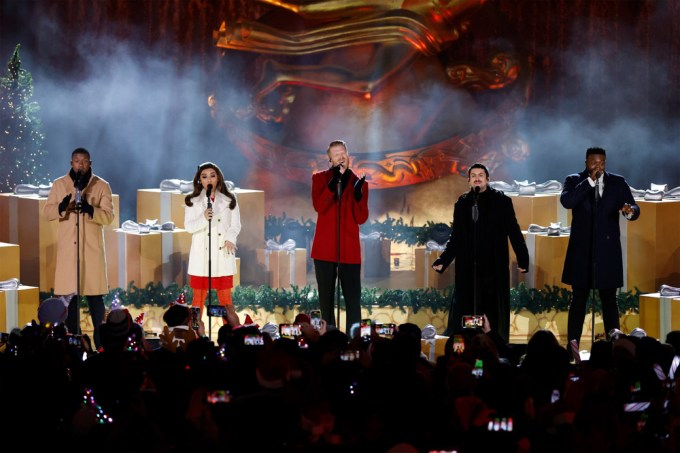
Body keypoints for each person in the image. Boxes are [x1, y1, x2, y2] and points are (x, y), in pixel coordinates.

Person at [432, 163, 529, 343]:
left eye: (481, 175)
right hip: (469, 268)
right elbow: (457, 237)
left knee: (491, 310)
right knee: (467, 310)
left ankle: (493, 347)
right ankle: (468, 345)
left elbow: (514, 232)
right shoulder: (462, 203)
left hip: (493, 268)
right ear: (468, 180)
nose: (477, 178)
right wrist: (444, 260)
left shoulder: (502, 201)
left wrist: (523, 258)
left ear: (488, 179)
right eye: (473, 175)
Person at [560, 147, 640, 350]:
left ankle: (615, 349)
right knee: (578, 300)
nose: (599, 167)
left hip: (607, 251)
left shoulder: (617, 182)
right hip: (582, 251)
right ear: (586, 162)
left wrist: (630, 211)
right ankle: (573, 349)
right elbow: (567, 201)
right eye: (594, 163)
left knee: (609, 301)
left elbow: (633, 207)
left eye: (602, 163)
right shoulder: (573, 180)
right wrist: (589, 183)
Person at [43, 147, 115, 350]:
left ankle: (102, 348)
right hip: (68, 252)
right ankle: (75, 347)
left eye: (84, 162)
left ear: (90, 163)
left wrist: (91, 209)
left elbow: (109, 216)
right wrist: (62, 207)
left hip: (91, 252)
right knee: (70, 304)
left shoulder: (101, 186)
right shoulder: (60, 184)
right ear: (71, 163)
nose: (80, 165)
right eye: (76, 161)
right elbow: (47, 212)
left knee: (96, 303)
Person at [311, 140, 368, 333]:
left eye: (343, 153)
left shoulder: (359, 183)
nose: (341, 157)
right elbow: (319, 206)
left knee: (353, 300)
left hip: (349, 250)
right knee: (326, 300)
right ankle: (329, 339)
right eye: (336, 154)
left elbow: (361, 218)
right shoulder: (319, 179)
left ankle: (355, 340)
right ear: (330, 159)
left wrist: (359, 196)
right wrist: (333, 182)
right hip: (324, 250)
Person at [184, 162, 241, 327]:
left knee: (225, 298)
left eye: (212, 175)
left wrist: (230, 238)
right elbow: (189, 227)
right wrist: (203, 218)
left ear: (218, 178)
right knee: (198, 298)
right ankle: (195, 330)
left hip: (222, 253)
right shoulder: (192, 201)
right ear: (199, 180)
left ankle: (230, 330)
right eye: (204, 176)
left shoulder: (230, 199)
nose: (208, 179)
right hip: (202, 256)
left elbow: (235, 225)